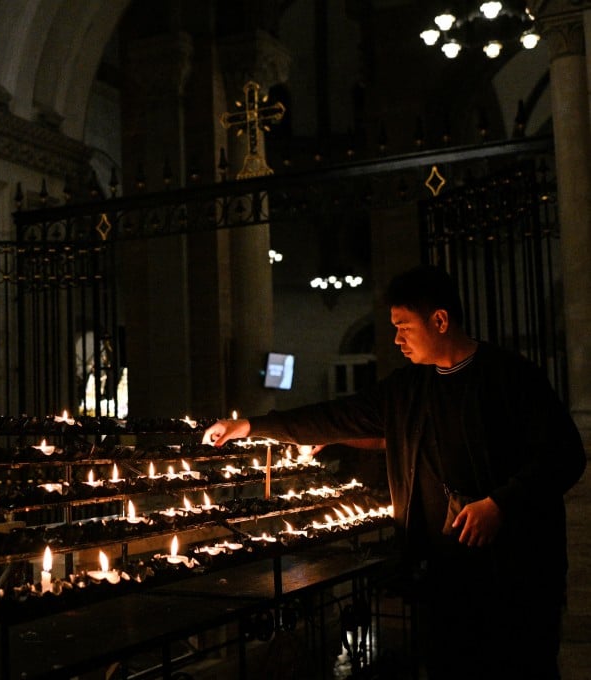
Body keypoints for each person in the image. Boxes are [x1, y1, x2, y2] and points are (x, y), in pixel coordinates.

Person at [202, 265, 586, 679]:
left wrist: (499, 504)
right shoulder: (409, 389)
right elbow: (339, 415)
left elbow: (564, 455)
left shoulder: (510, 377)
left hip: (516, 576)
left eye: (404, 326)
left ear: (440, 320)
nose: (396, 338)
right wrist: (252, 426)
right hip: (446, 577)